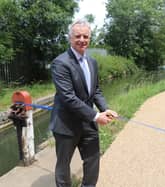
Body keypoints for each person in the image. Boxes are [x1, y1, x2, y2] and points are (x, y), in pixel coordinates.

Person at [50, 19, 118, 187]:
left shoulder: (92, 62)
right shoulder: (60, 63)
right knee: (63, 166)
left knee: (93, 159)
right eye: (78, 36)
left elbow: (95, 90)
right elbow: (68, 97)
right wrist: (96, 116)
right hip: (66, 124)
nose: (82, 39)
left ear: (89, 38)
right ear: (70, 38)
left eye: (85, 36)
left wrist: (105, 108)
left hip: (88, 122)